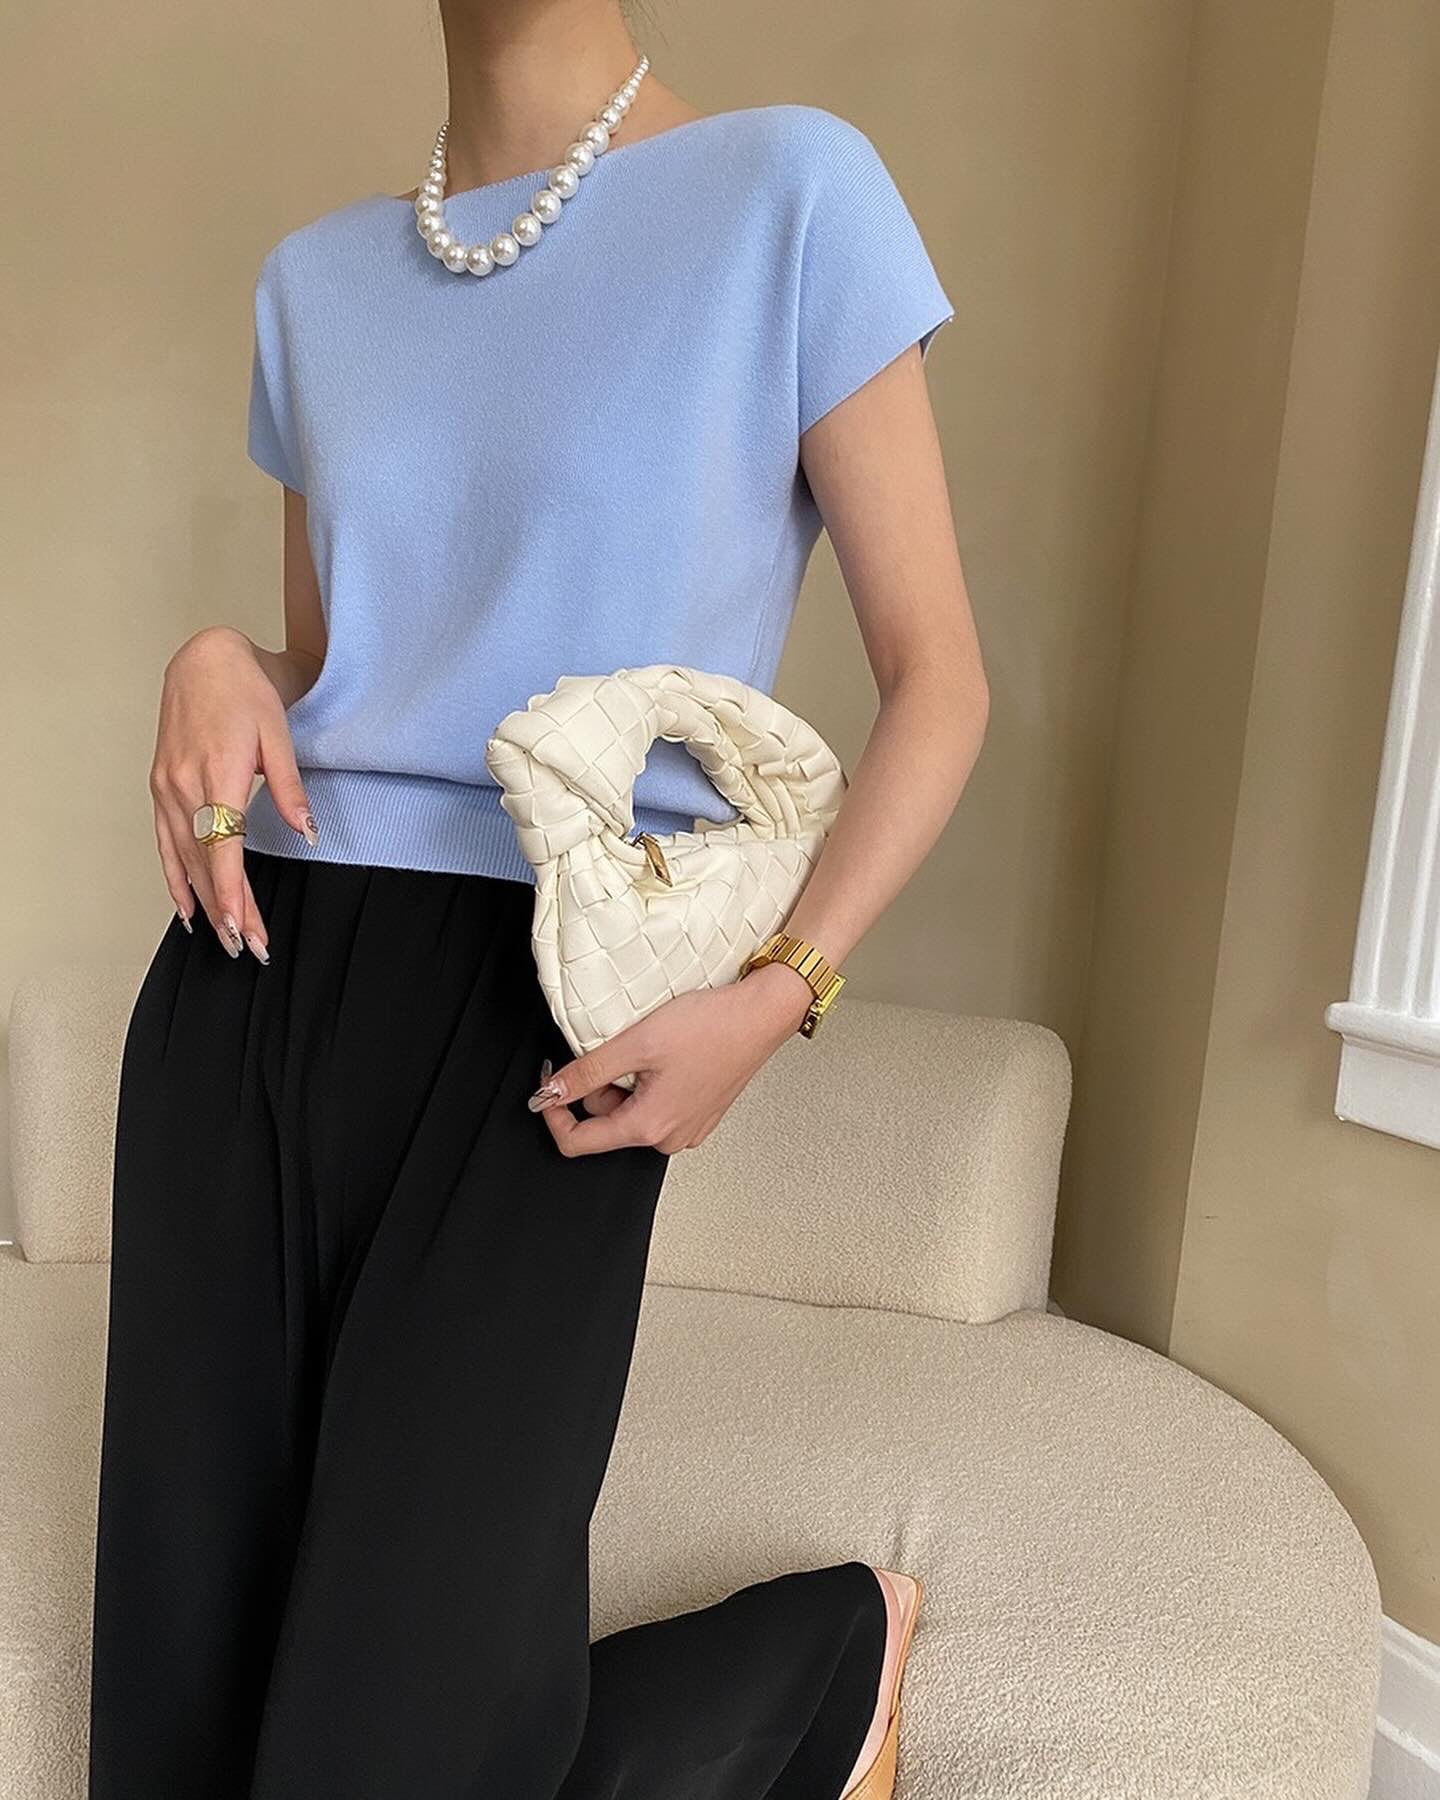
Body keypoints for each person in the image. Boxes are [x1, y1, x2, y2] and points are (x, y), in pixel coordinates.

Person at [86, 4, 989, 1796]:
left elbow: (939, 681)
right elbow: (344, 676)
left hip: (548, 1018)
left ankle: (827, 1657)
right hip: (249, 981)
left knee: (382, 1751)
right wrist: (215, 658)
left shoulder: (790, 195)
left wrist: (781, 989)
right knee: (183, 1724)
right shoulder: (314, 284)